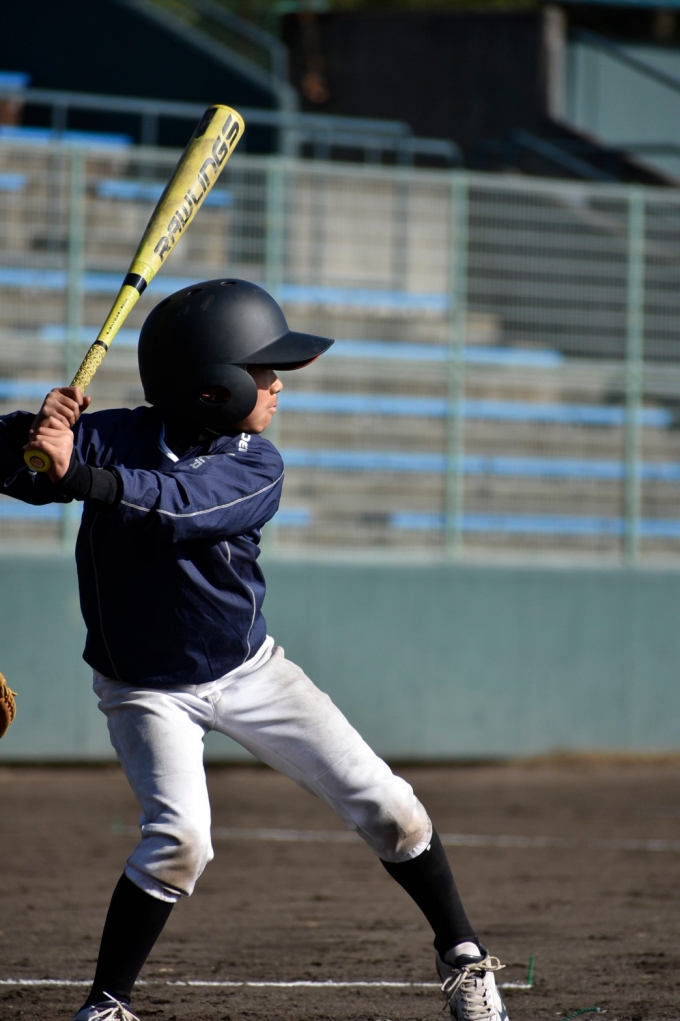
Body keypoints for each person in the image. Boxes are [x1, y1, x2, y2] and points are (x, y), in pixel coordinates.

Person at [0, 279, 509, 1021]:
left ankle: (461, 952)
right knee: (181, 840)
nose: (277, 386)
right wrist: (36, 433)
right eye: (264, 371)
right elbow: (22, 469)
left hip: (249, 672)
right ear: (212, 387)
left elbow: (179, 507)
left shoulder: (254, 461)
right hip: (145, 687)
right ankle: (105, 1005)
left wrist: (79, 474)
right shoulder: (112, 438)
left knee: (391, 807)